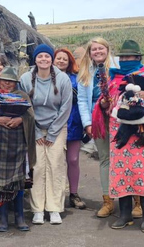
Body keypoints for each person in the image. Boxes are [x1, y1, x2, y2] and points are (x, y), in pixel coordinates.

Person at [20, 44, 72, 225]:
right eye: (40, 56)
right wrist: (35, 132)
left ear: (52, 58)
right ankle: (38, 209)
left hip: (56, 128)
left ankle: (55, 208)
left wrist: (51, 134)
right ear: (35, 59)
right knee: (37, 167)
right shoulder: (26, 79)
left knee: (56, 166)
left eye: (47, 56)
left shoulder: (62, 78)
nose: (44, 59)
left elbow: (66, 107)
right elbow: (24, 107)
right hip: (34, 128)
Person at [97, 40, 144, 230]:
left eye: (130, 57)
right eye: (123, 57)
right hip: (118, 132)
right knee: (121, 172)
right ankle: (125, 214)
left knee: (142, 172)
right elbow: (107, 102)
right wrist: (103, 104)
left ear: (138, 58)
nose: (126, 60)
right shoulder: (113, 78)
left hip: (141, 132)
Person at [0, 67, 35, 232]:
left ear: (15, 83)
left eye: (11, 81)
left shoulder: (23, 96)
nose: (7, 84)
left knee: (18, 182)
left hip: (18, 144)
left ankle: (20, 218)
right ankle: (2, 218)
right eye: (4, 81)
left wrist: (20, 119)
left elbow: (31, 115)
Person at [77, 37, 119, 218]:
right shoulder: (85, 72)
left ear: (107, 49)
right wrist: (87, 123)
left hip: (118, 116)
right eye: (94, 49)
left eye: (100, 48)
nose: (97, 52)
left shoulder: (117, 67)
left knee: (125, 158)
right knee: (104, 159)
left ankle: (136, 201)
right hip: (97, 118)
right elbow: (82, 101)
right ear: (90, 53)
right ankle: (107, 201)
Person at [54, 48, 86, 209]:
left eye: (64, 59)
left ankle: (73, 193)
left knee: (73, 160)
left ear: (69, 62)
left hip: (73, 122)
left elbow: (83, 101)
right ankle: (55, 194)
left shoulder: (76, 79)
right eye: (58, 58)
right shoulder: (46, 78)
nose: (61, 61)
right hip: (54, 125)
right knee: (55, 160)